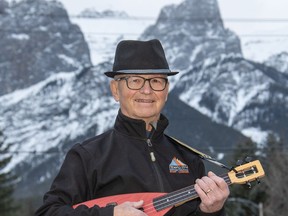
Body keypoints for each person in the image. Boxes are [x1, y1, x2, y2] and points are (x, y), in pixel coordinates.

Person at [35, 39, 229, 216]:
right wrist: (111, 214)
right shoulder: (87, 156)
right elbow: (48, 213)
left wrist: (211, 211)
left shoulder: (189, 159)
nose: (146, 90)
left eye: (156, 81)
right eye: (135, 80)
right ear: (115, 90)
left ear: (166, 91)